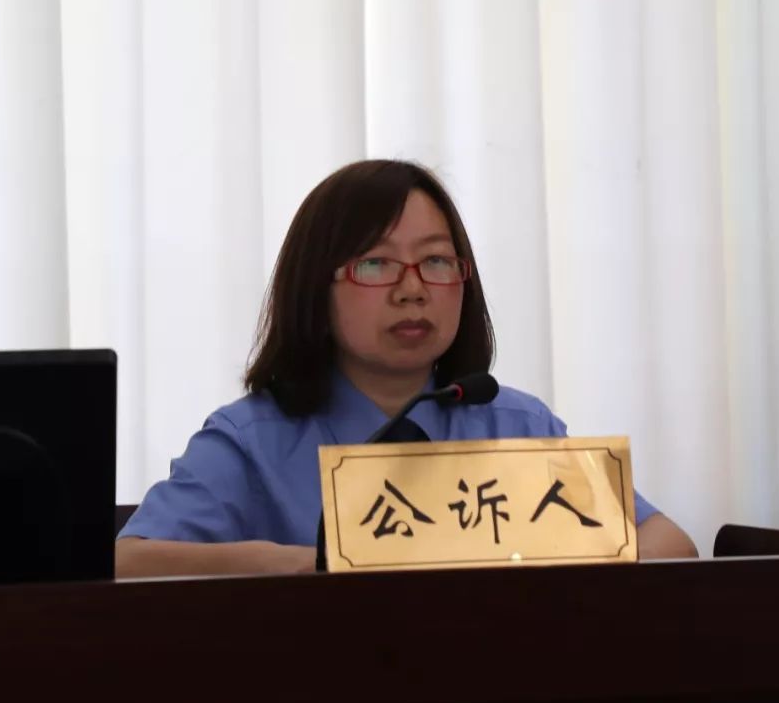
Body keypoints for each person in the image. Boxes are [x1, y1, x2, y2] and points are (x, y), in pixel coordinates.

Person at [116, 159, 698, 577]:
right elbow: (128, 560)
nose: (413, 289)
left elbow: (669, 540)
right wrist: (305, 565)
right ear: (314, 289)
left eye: (436, 261)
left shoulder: (513, 424)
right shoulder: (253, 440)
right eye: (376, 264)